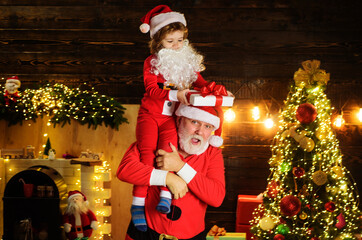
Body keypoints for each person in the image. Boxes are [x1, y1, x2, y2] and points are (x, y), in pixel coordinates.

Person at [132, 4, 232, 232]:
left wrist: (217, 91)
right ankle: (137, 206)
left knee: (168, 150)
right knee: (148, 156)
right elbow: (151, 90)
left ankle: (164, 197)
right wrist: (176, 94)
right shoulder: (152, 63)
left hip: (169, 118)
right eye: (170, 42)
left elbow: (202, 83)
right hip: (151, 115)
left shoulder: (186, 62)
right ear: (158, 42)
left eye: (179, 40)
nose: (176, 46)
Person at [117, 104, 226, 240]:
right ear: (179, 120)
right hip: (145, 232)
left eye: (207, 126)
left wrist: (180, 167)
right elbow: (125, 169)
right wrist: (167, 178)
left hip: (191, 236)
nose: (199, 131)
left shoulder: (212, 153)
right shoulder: (155, 139)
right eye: (194, 122)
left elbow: (216, 197)